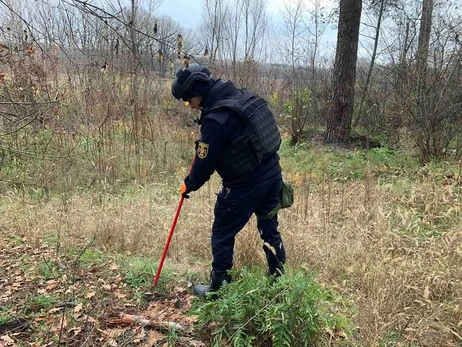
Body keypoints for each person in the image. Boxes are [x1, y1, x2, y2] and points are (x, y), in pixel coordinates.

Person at [171, 63, 286, 297]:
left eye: (188, 100)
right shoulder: (242, 95)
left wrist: (189, 184)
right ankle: (278, 281)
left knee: (222, 233)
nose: (189, 105)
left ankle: (219, 287)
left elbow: (204, 165)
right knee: (269, 229)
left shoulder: (216, 119)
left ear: (198, 92)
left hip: (244, 185)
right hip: (273, 175)